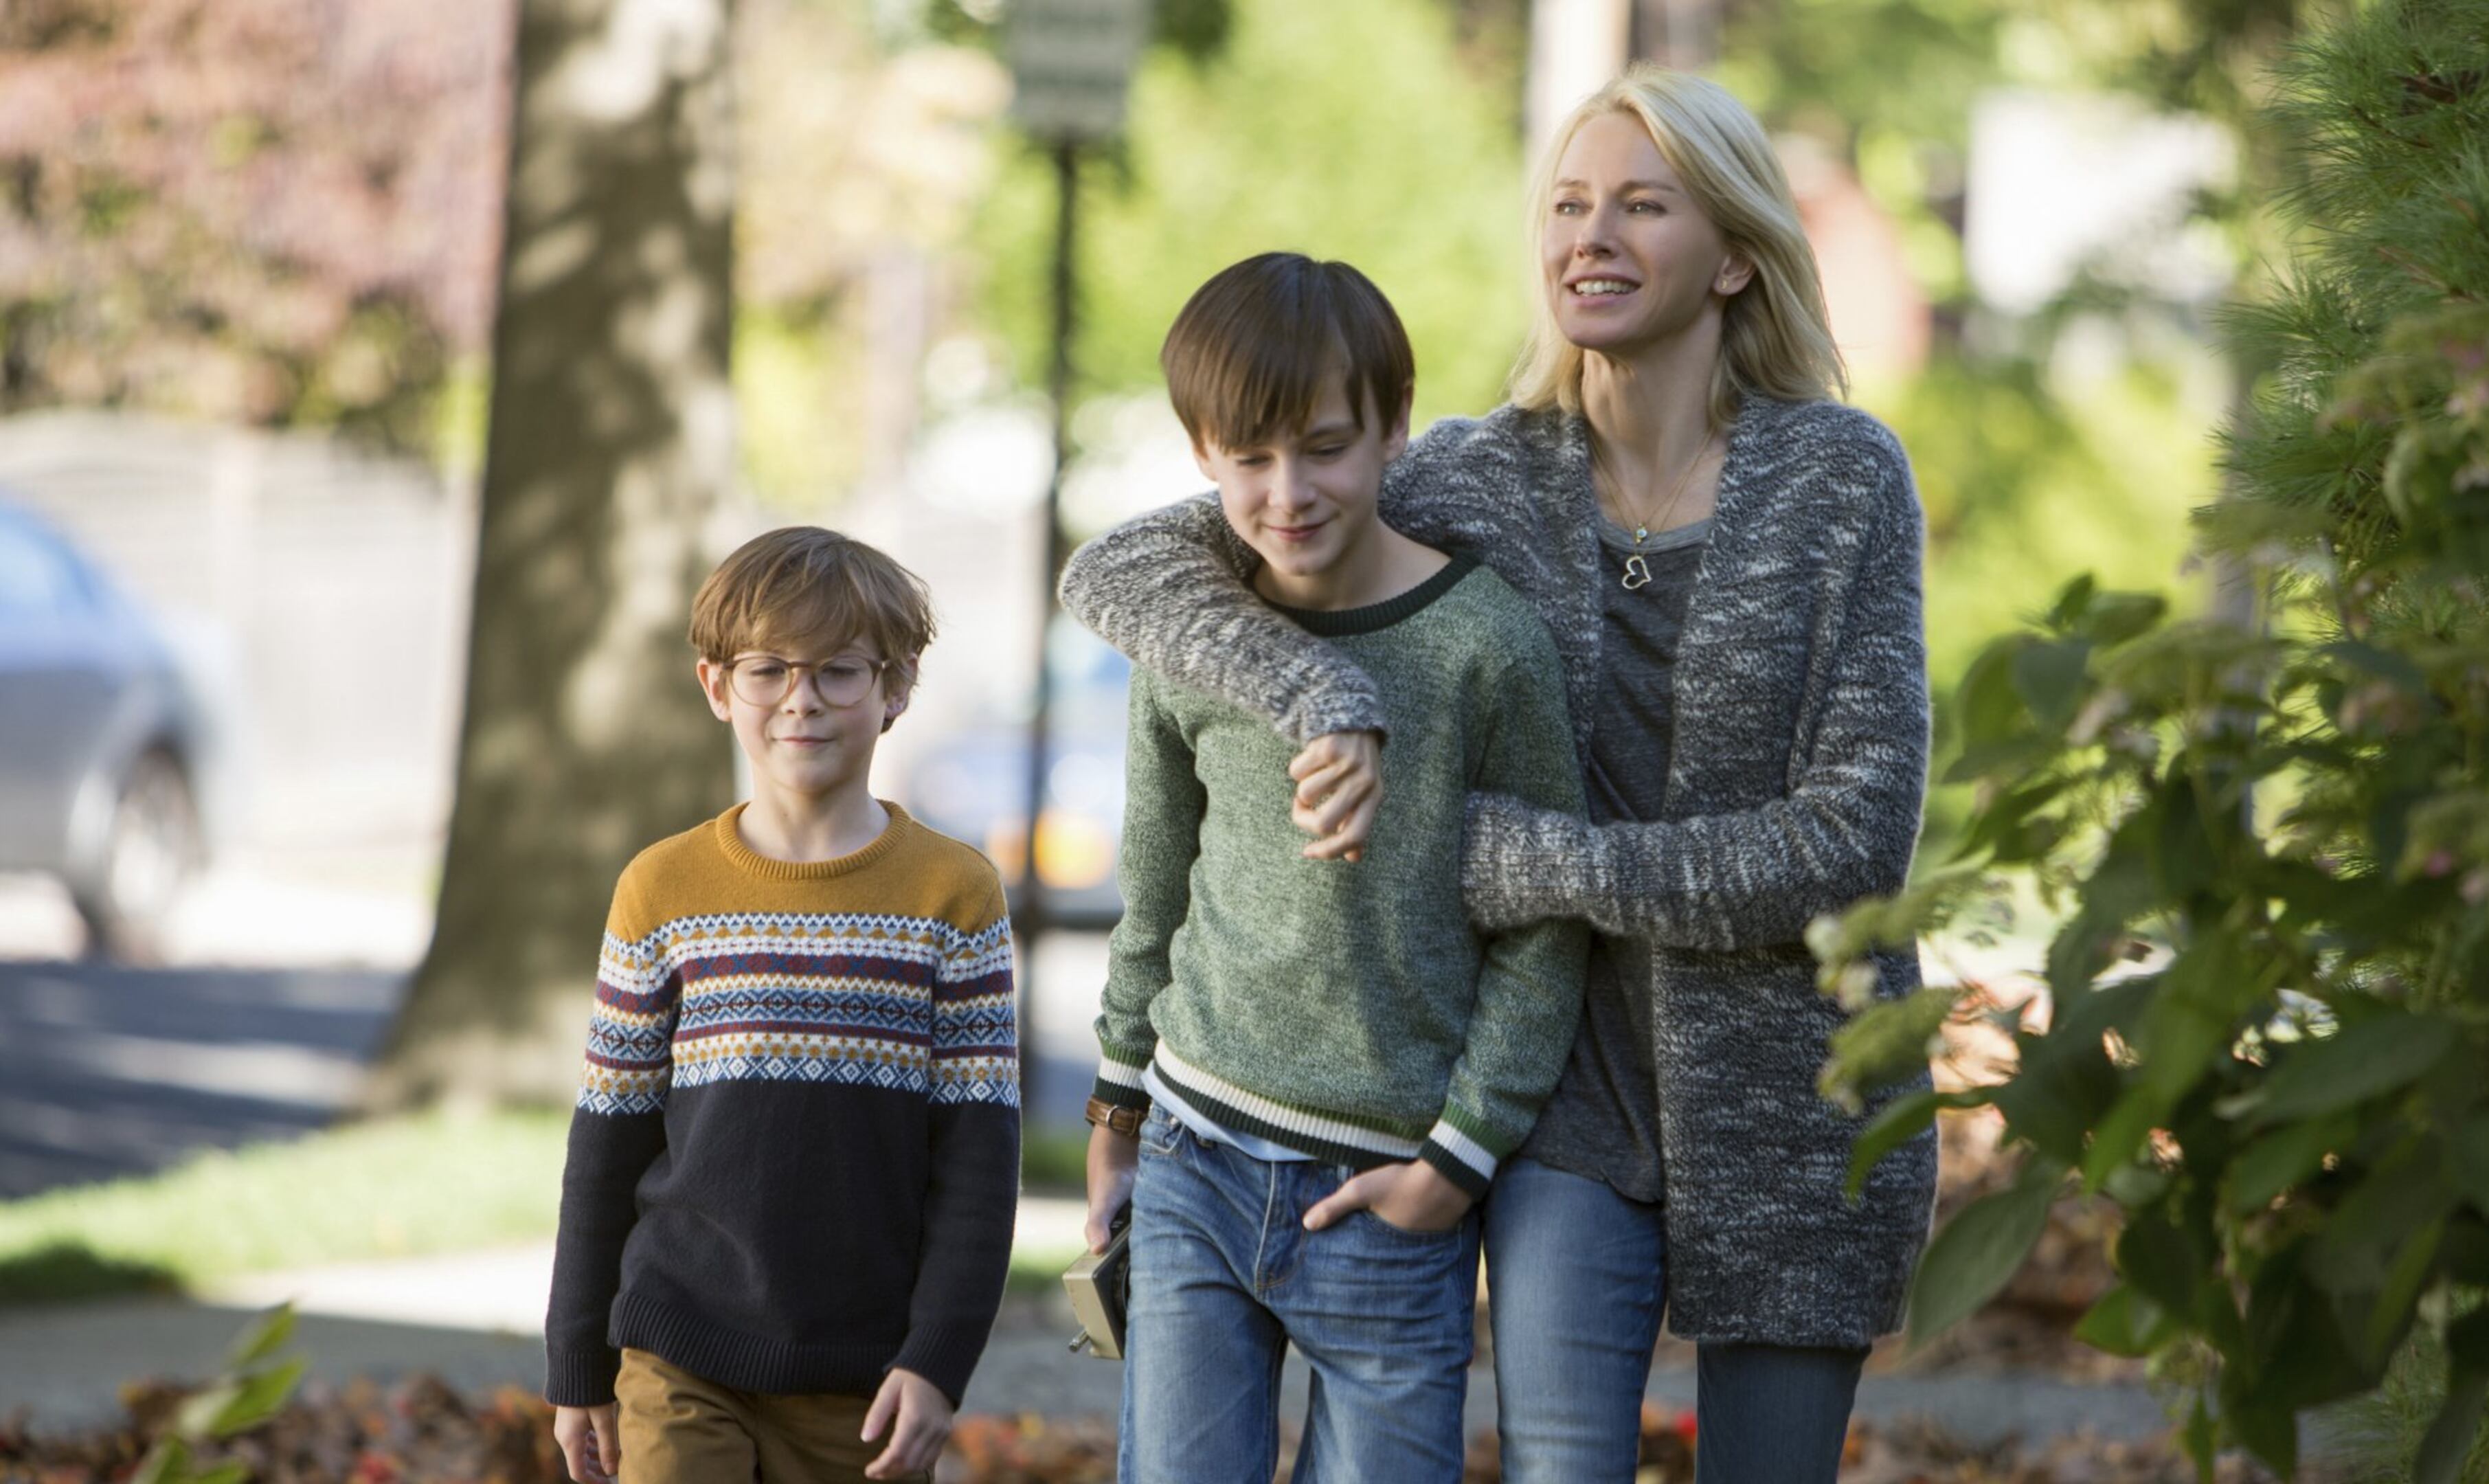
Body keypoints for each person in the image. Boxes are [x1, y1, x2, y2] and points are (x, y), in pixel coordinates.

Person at [1060, 67, 1937, 1484]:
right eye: (1571, 204)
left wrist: (1541, 861)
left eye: (1642, 206)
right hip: (1562, 1103)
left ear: (1732, 258)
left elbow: (1852, 842)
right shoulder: (1469, 477)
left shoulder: (1842, 480)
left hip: (1793, 1099)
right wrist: (1320, 689)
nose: (1590, 233)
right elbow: (1127, 565)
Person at [1080, 251, 1589, 1483]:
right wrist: (1115, 1114)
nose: (1289, 491)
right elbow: (1152, 891)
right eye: (1248, 459)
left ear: (1393, 429)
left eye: (1324, 448)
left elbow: (1543, 929)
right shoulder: (1191, 635)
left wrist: (1455, 1162)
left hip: (1386, 1196)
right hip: (1194, 1158)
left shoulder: (1488, 647)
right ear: (1202, 454)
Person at [544, 527, 1020, 1484]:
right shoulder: (662, 887)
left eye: (840, 671)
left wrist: (937, 1362)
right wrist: (578, 1363)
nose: (801, 700)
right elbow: (606, 1145)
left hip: (865, 1376)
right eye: (767, 670)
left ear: (897, 688)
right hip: (679, 1343)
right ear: (719, 687)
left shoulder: (954, 894)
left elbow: (977, 1162)